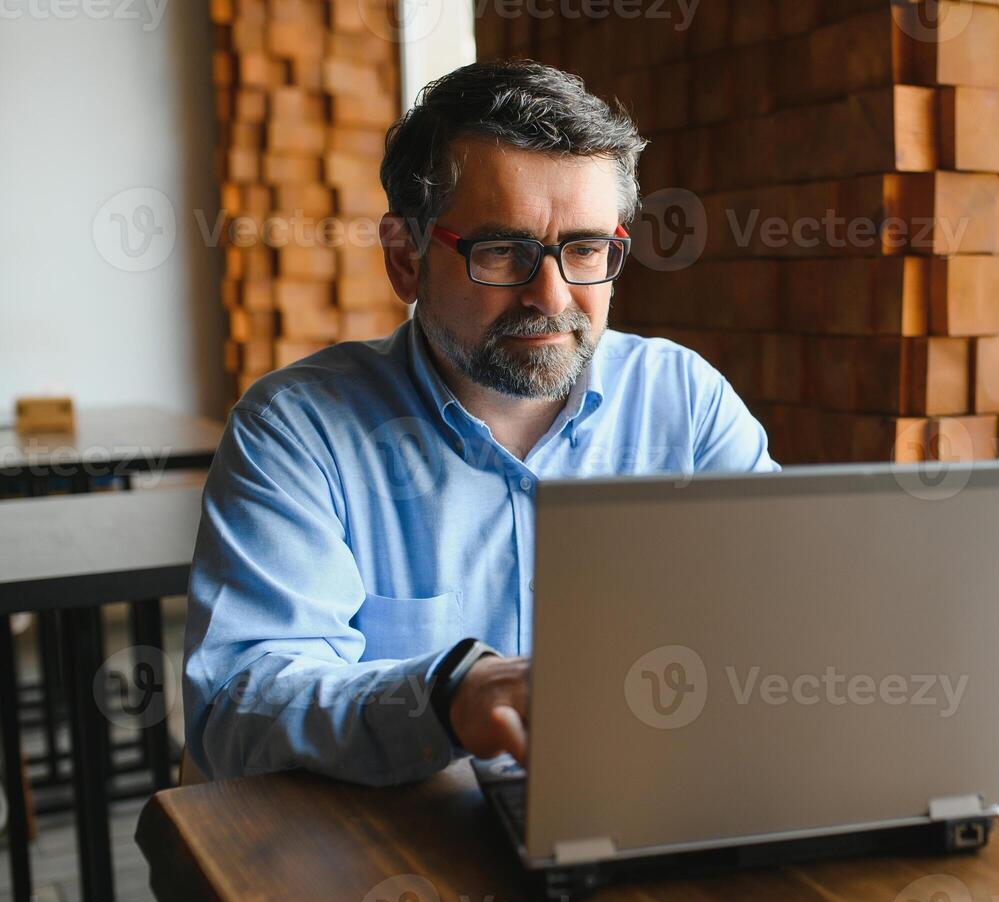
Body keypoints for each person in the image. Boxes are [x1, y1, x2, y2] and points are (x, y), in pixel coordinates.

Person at [183, 60, 777, 785]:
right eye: (504, 252)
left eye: (586, 250)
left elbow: (775, 628)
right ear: (405, 258)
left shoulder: (684, 402)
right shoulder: (298, 431)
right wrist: (444, 697)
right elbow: (236, 707)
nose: (550, 296)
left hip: (643, 818)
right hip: (396, 863)